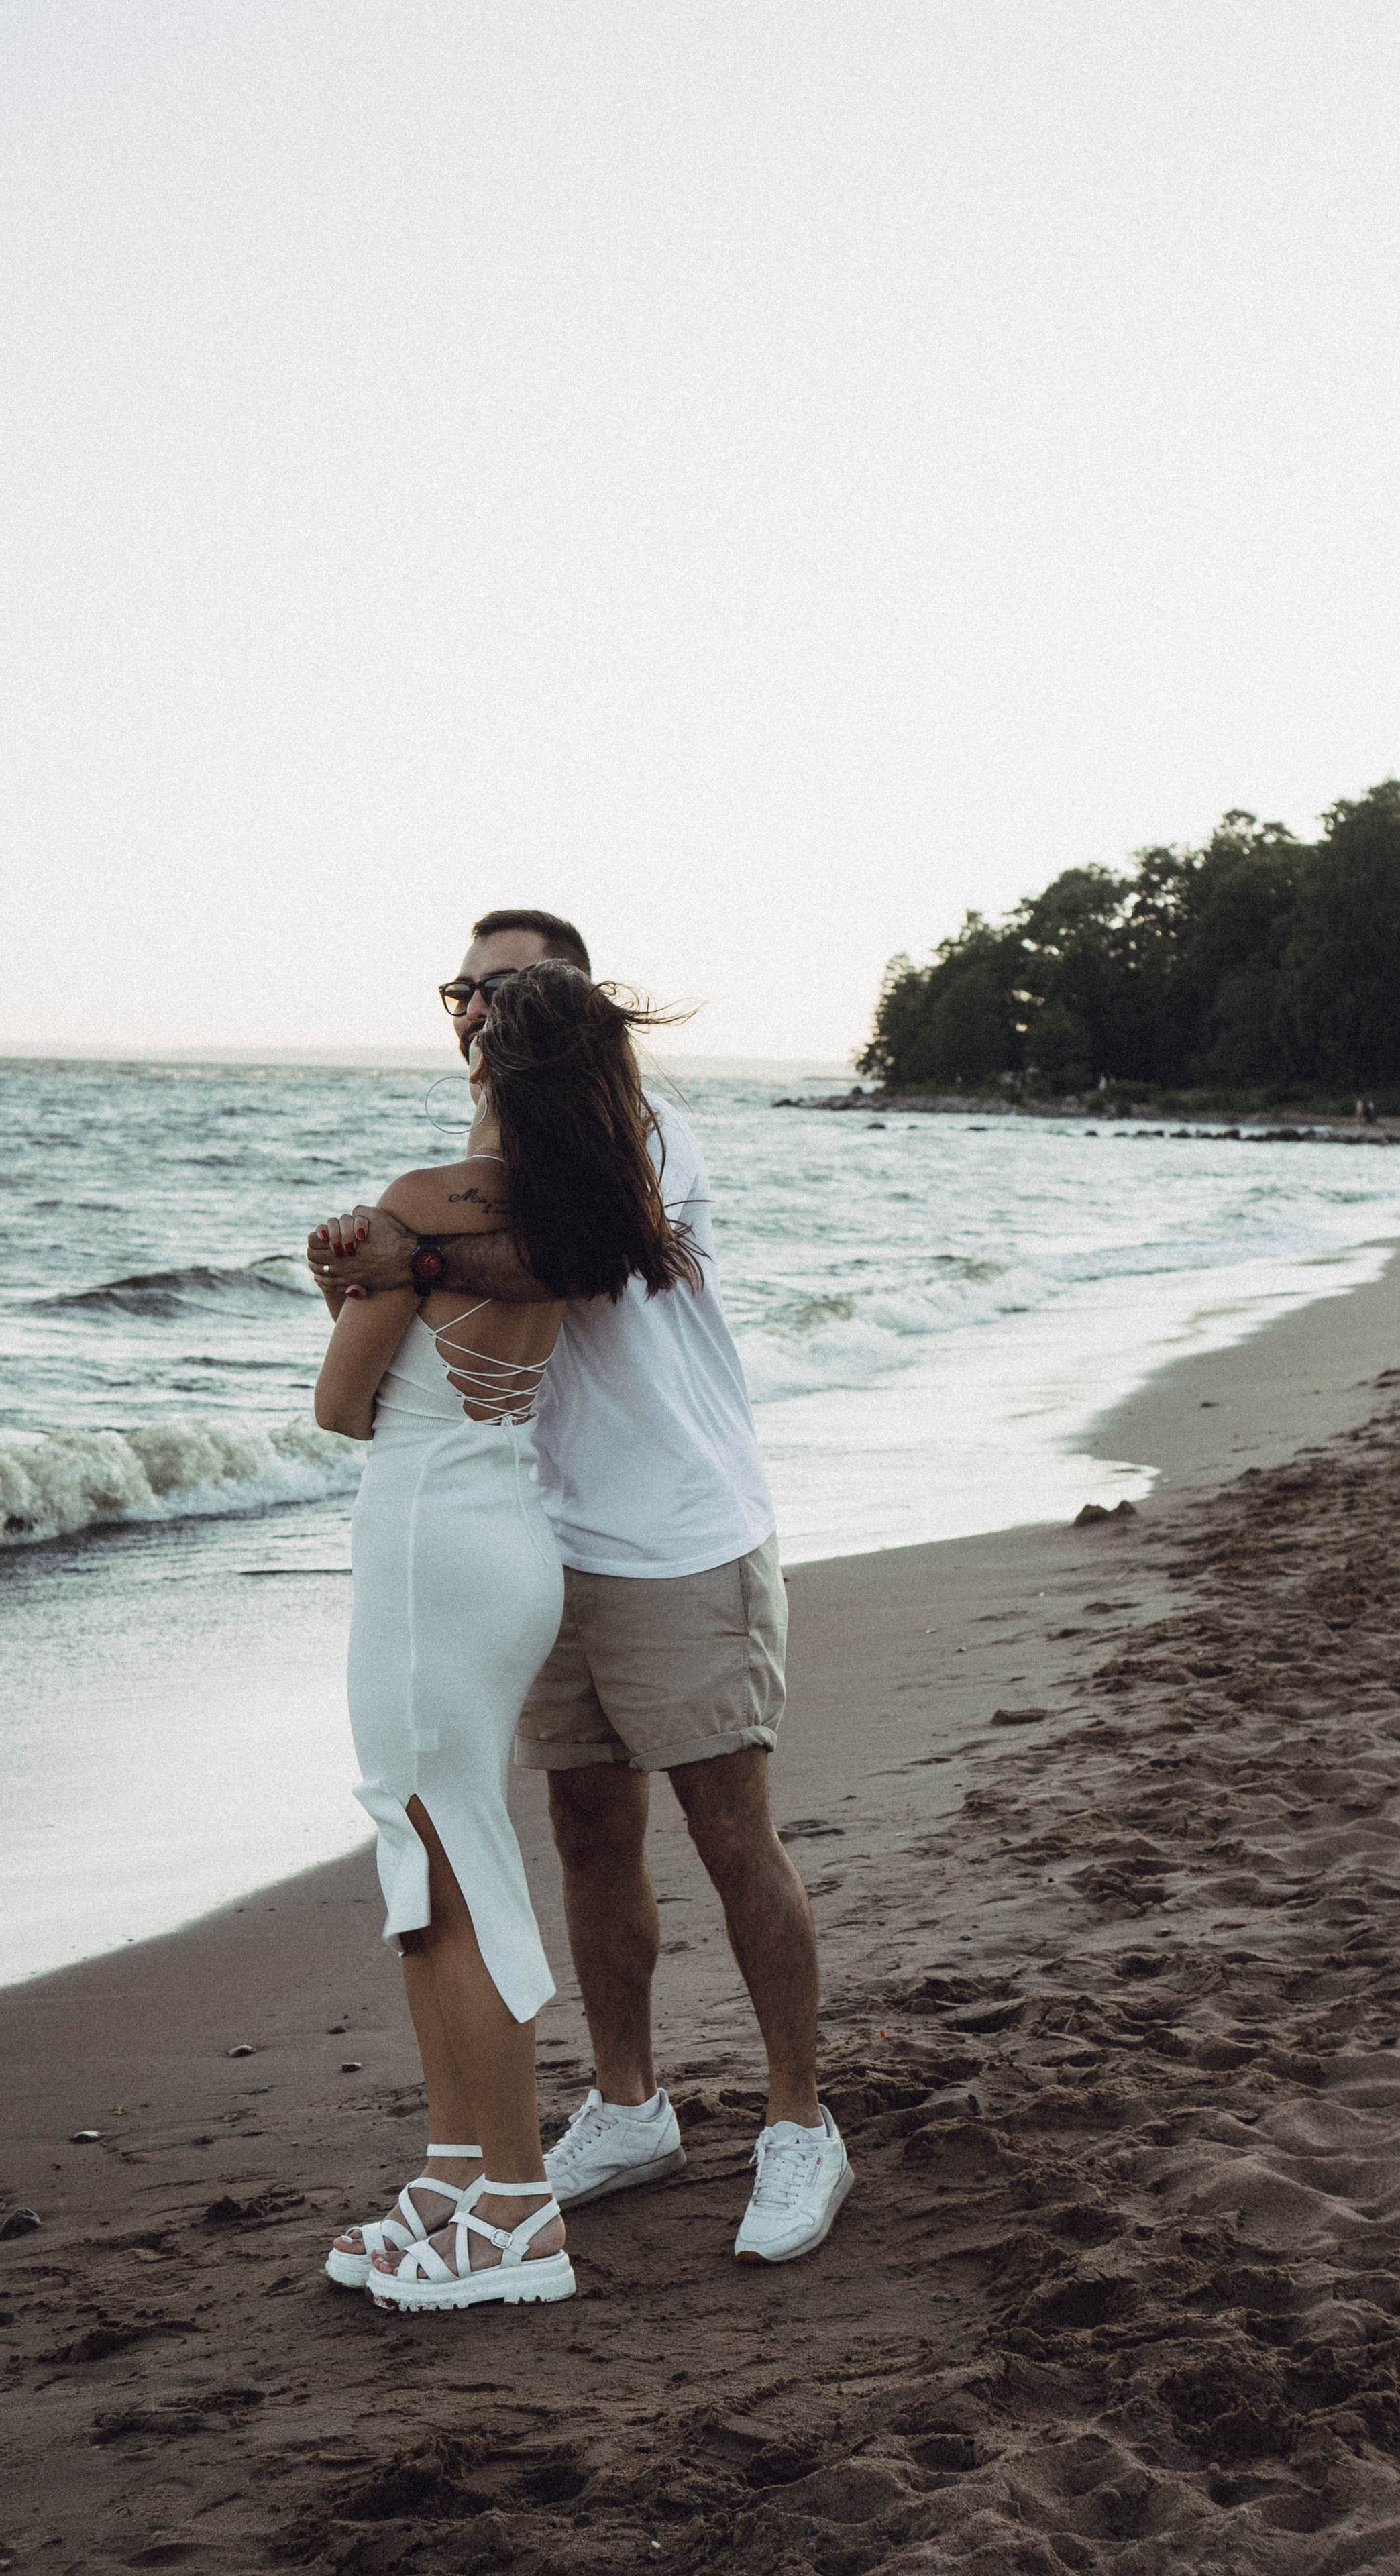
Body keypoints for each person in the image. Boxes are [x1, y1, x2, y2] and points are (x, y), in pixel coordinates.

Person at [307, 909, 851, 2267]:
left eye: (514, 986)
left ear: (575, 1002)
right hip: (539, 1541)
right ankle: (626, 2109)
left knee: (733, 1839)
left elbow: (587, 1255)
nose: (483, 1007)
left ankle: (799, 2122)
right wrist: (362, 1265)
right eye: (466, 987)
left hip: (680, 1534)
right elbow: (430, 1329)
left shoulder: (634, 1130)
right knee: (589, 1841)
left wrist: (406, 1251)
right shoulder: (469, 1170)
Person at [312, 961, 699, 2311]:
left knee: (450, 1861)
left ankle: (519, 2216)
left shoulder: (427, 1202)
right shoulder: (585, 1205)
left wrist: (368, 1282)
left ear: (487, 1058)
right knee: (432, 1856)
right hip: (504, 1536)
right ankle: (457, 2180)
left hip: (429, 1540)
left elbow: (341, 1405)